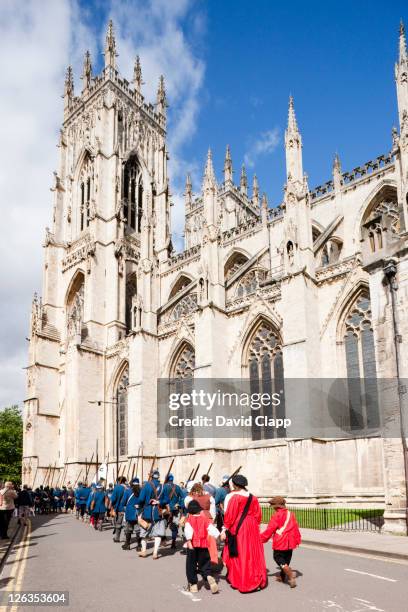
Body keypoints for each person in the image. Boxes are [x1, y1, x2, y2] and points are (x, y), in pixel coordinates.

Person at [221, 474, 267, 593]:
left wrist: (224, 529)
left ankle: (243, 580)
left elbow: (230, 516)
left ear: (235, 485)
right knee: (253, 552)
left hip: (239, 528)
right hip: (252, 527)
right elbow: (258, 515)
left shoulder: (234, 497)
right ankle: (256, 578)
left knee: (240, 553)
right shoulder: (253, 497)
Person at [260, 496, 301, 588]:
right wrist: (297, 539)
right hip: (290, 541)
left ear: (276, 506)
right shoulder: (291, 513)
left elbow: (270, 530)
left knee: (277, 558)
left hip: (281, 541)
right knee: (286, 560)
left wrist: (260, 539)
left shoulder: (276, 515)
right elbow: (295, 527)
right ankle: (282, 577)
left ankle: (290, 574)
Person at [184, 500, 220, 594]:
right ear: (199, 511)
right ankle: (208, 575)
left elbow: (188, 531)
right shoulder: (205, 520)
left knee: (191, 564)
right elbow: (212, 529)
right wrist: (218, 536)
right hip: (203, 545)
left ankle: (193, 585)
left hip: (193, 545)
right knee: (205, 562)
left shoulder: (189, 520)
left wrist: (189, 541)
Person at [137, 470, 169, 559]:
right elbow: (167, 500)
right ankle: (155, 553)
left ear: (151, 476)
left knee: (144, 532)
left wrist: (139, 506)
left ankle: (144, 551)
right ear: (158, 477)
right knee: (158, 534)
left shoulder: (146, 485)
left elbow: (141, 499)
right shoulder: (163, 486)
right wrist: (159, 501)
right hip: (158, 513)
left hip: (147, 512)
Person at [163, 474, 184, 549]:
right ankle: (173, 542)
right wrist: (179, 504)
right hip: (175, 509)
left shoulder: (164, 486)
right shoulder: (177, 487)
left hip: (166, 509)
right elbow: (182, 497)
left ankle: (163, 540)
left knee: (163, 525)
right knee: (174, 526)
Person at [122, 477, 142, 551]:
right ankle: (139, 546)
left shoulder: (127, 491)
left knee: (128, 529)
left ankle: (127, 545)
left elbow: (123, 502)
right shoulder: (141, 491)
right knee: (138, 530)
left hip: (129, 513)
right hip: (138, 512)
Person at [110, 476, 128, 542]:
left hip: (120, 508)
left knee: (118, 524)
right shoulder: (128, 488)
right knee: (127, 524)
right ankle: (126, 538)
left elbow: (113, 499)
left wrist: (111, 506)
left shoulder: (117, 488)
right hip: (128, 509)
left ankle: (117, 538)